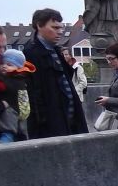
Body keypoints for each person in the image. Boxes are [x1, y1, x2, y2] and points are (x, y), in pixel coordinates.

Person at [23, 8, 89, 138]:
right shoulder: (31, 53)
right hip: (51, 126)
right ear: (39, 26)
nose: (60, 32)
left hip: (70, 121)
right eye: (54, 27)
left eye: (61, 28)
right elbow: (35, 94)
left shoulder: (56, 51)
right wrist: (43, 122)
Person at [0, 49, 35, 141]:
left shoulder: (15, 79)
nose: (4, 66)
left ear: (18, 68)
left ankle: (7, 136)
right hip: (23, 108)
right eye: (2, 64)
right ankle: (23, 137)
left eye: (9, 65)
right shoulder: (21, 77)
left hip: (15, 107)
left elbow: (5, 88)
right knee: (21, 127)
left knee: (9, 118)